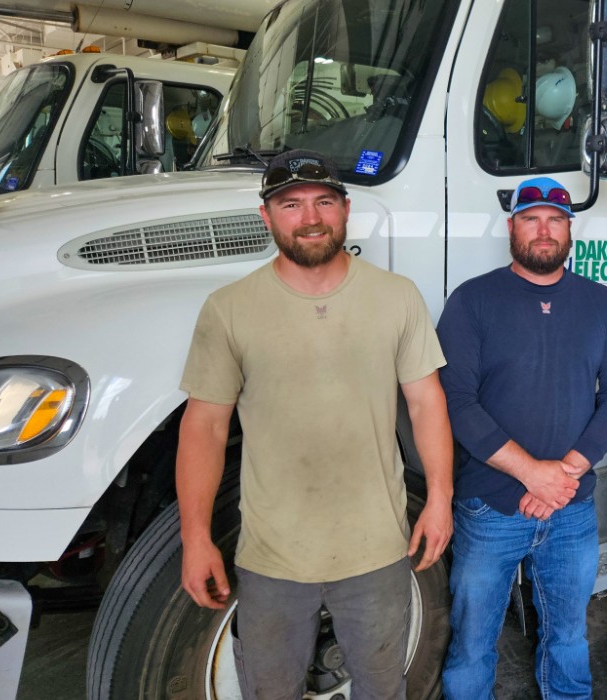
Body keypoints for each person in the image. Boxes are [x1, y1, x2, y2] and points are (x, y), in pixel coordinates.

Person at [176, 149, 453, 699]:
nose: (310, 218)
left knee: (382, 690)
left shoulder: (396, 297)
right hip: (273, 559)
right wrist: (195, 538)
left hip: (378, 553)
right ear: (266, 217)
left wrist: (440, 498)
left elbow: (427, 403)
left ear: (346, 210)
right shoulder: (228, 309)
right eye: (291, 204)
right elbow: (204, 427)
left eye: (324, 201)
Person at [436, 176, 607, 699]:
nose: (543, 230)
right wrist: (532, 474)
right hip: (490, 506)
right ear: (512, 227)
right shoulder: (472, 301)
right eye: (531, 219)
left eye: (555, 220)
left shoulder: (601, 304)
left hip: (571, 508)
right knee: (472, 644)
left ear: (570, 230)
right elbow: (456, 401)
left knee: (568, 638)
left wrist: (561, 476)